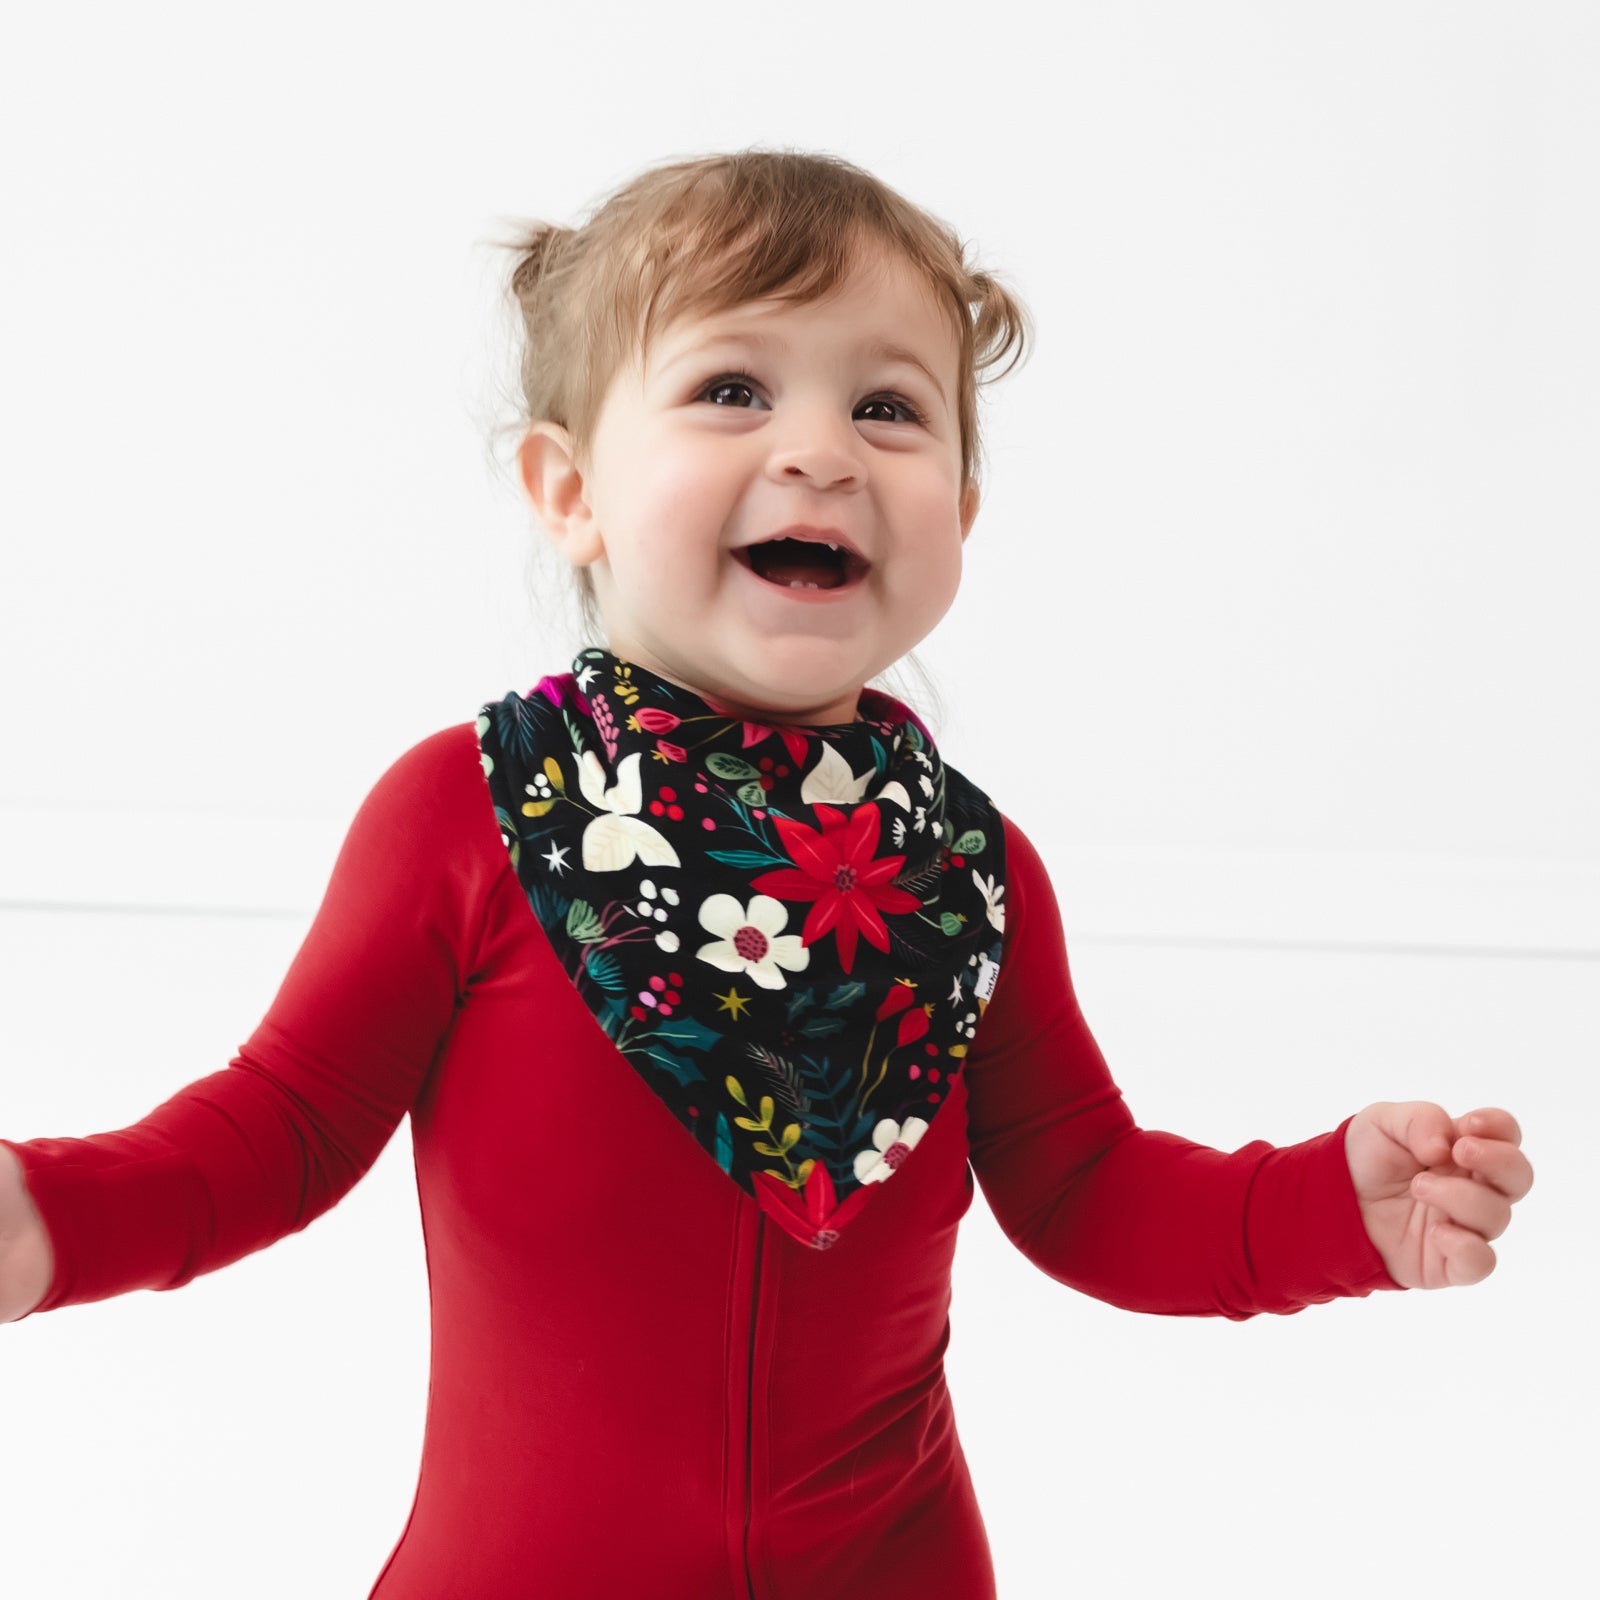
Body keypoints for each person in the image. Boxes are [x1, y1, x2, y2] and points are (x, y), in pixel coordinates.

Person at [0, 148, 1533, 1599]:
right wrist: (46, 1215)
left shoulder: (967, 873)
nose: (818, 450)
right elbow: (275, 1129)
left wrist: (1332, 1210)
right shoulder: (467, 817)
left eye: (889, 409)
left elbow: (1086, 1191)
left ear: (964, 517)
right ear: (568, 488)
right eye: (732, 389)